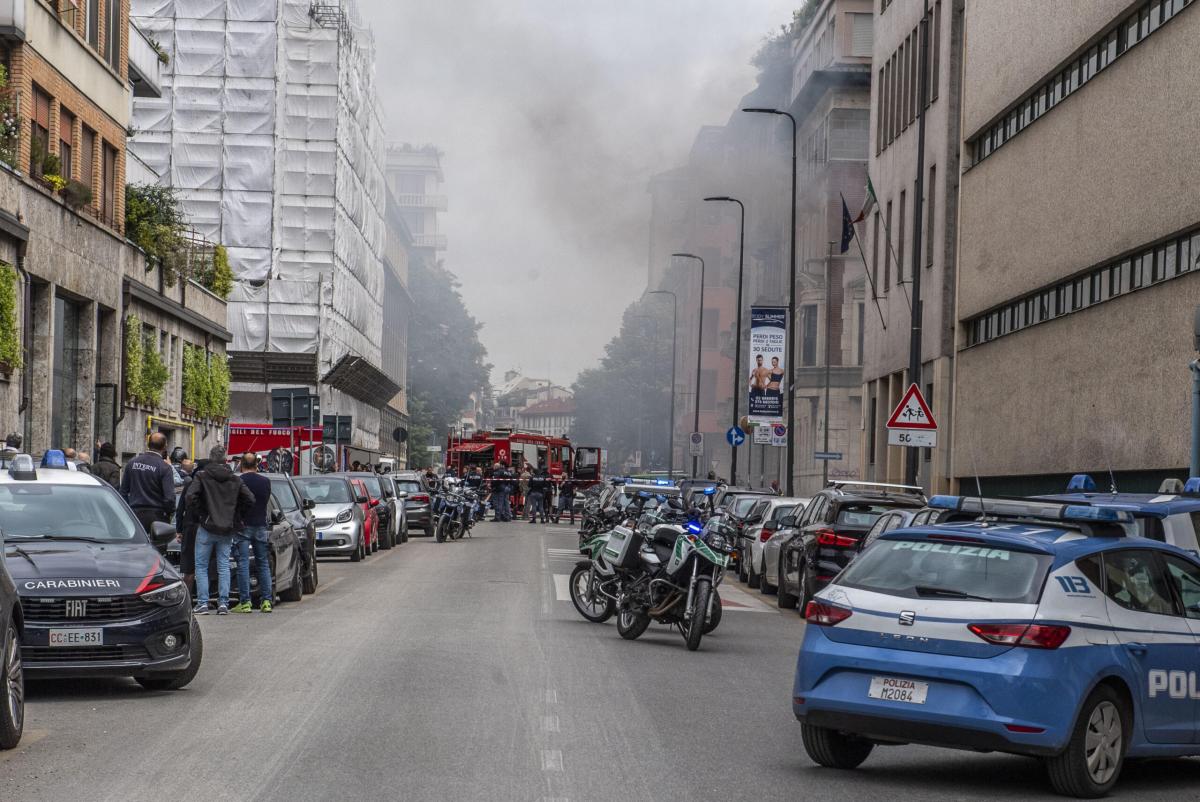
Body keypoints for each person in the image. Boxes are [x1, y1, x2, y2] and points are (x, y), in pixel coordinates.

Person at [186, 446, 253, 615]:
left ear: (210, 459)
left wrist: (202, 514)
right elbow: (250, 499)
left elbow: (190, 496)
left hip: (207, 526)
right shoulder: (235, 479)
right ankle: (223, 603)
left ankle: (203, 603)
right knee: (223, 565)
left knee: (201, 566)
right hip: (227, 528)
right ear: (225, 460)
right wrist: (236, 516)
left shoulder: (202, 476)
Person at [233, 453, 274, 613]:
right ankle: (266, 601)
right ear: (256, 465)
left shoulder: (238, 481)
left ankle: (245, 602)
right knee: (263, 563)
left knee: (243, 563)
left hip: (243, 526)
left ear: (241, 465)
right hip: (260, 525)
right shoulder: (265, 481)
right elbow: (266, 501)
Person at [121, 433, 177, 539]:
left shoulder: (132, 463)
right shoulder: (165, 467)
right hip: (157, 517)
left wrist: (128, 511)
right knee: (157, 551)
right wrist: (169, 513)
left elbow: (123, 492)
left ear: (148, 444)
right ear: (165, 446)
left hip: (135, 515)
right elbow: (169, 498)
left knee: (137, 548)